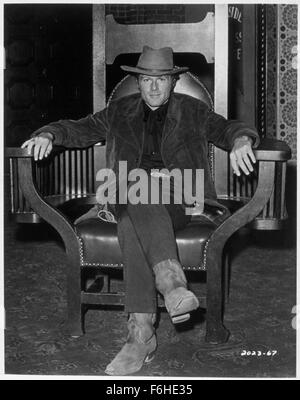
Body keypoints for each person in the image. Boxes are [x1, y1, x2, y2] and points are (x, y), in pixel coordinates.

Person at [21, 46, 259, 376]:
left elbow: (228, 128)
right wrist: (48, 133)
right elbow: (78, 128)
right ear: (138, 81)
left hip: (180, 199)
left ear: (174, 81)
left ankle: (141, 334)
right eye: (146, 79)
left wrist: (242, 141)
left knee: (135, 208)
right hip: (126, 194)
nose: (153, 87)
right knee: (137, 188)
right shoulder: (118, 111)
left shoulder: (194, 111)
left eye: (161, 79)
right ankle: (172, 284)